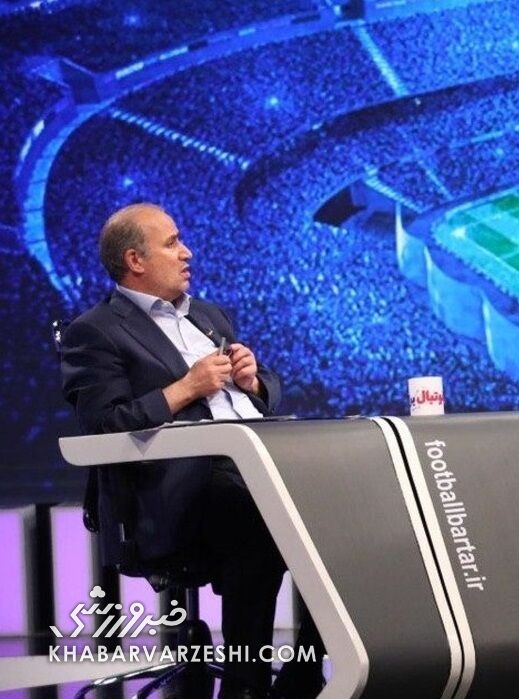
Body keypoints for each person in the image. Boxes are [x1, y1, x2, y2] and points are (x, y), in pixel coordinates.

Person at [60, 203, 324, 698]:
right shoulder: (94, 331)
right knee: (258, 513)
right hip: (173, 495)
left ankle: (308, 669)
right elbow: (103, 425)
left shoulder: (208, 315)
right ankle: (245, 685)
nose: (187, 253)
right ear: (135, 260)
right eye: (172, 243)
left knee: (336, 506)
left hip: (254, 466)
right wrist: (186, 388)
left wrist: (253, 382)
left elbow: (260, 396)